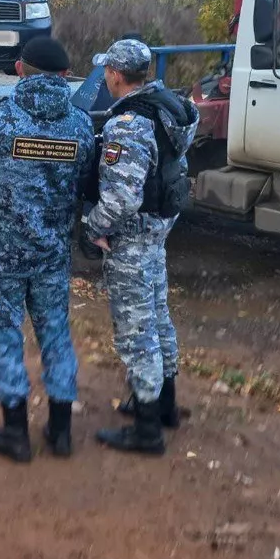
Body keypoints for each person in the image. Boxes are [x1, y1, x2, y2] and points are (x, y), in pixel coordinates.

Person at [0, 36, 95, 462]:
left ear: (21, 69)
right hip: (52, 255)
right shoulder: (80, 125)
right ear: (62, 75)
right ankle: (60, 432)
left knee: (4, 335)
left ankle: (15, 433)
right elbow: (84, 182)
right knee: (56, 334)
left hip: (0, 257)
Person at [84, 39, 198, 456]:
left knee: (136, 330)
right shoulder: (171, 109)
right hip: (159, 229)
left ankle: (147, 429)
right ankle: (165, 404)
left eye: (107, 71)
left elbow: (121, 199)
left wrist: (91, 228)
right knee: (158, 313)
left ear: (114, 75)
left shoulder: (127, 125)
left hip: (131, 235)